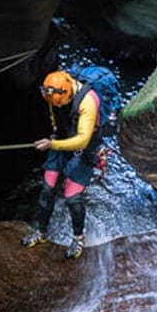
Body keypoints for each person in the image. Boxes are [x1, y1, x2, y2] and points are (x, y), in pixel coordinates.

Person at [21, 70, 101, 259]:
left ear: (67, 92)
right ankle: (40, 232)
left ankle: (79, 237)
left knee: (72, 198)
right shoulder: (52, 94)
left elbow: (82, 140)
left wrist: (52, 144)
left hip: (83, 147)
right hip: (61, 140)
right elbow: (55, 118)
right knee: (47, 189)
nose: (56, 106)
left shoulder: (89, 101)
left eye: (59, 103)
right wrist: (53, 140)